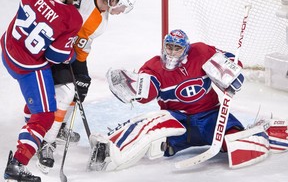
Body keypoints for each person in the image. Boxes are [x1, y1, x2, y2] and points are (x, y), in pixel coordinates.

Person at [87, 29, 288, 171]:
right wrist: (134, 87)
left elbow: (232, 61)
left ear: (186, 49)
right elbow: (147, 91)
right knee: (150, 124)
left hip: (211, 117)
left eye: (177, 48)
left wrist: (232, 72)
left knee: (238, 142)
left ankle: (267, 131)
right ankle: (110, 148)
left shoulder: (201, 52)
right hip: (177, 120)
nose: (172, 52)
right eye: (169, 47)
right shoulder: (153, 67)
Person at [35, 0, 137, 174]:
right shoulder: (95, 17)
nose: (120, 12)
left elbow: (79, 47)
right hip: (53, 40)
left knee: (81, 83)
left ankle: (60, 124)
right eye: (122, 7)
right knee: (65, 90)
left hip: (67, 43)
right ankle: (47, 139)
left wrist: (78, 67)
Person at [1, 0, 88, 181]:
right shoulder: (72, 18)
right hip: (28, 66)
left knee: (39, 103)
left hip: (7, 48)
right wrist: (71, 56)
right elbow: (56, 57)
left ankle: (34, 133)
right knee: (46, 114)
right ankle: (18, 163)